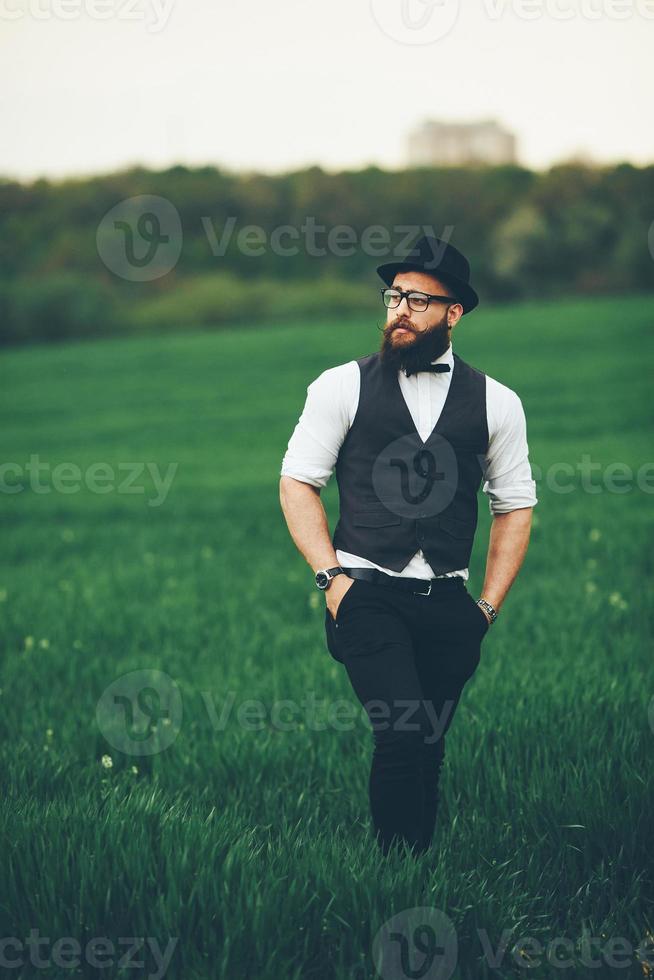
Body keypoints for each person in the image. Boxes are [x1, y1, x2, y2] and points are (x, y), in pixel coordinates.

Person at [279, 234, 537, 858]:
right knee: (401, 732)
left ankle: (419, 871)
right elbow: (297, 483)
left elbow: (515, 505)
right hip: (365, 592)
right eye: (395, 294)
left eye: (420, 300)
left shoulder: (497, 402)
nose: (400, 308)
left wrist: (487, 607)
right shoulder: (340, 386)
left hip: (450, 602)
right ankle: (395, 877)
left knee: (431, 739)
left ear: (455, 313)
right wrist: (332, 581)